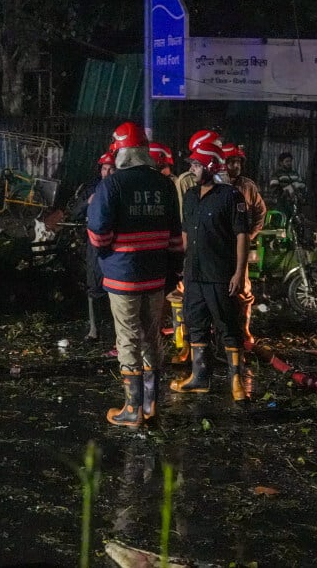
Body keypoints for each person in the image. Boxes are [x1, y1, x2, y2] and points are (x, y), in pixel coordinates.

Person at [87, 122, 182, 427]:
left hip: (123, 276)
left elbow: (98, 234)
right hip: (155, 276)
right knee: (151, 336)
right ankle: (151, 405)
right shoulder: (165, 185)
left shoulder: (111, 186)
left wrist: (110, 252)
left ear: (120, 152)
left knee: (128, 338)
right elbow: (175, 239)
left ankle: (132, 409)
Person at [170, 138, 250, 402]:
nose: (191, 169)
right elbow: (185, 233)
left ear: (211, 166)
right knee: (196, 324)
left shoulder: (230, 196)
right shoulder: (190, 197)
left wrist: (238, 273)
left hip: (220, 275)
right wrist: (181, 265)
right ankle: (199, 377)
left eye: (196, 164)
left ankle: (236, 380)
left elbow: (242, 235)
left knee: (228, 325)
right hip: (194, 275)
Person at [223, 142, 266, 349]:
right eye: (231, 161)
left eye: (238, 161)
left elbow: (260, 211)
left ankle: (244, 329)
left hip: (239, 247)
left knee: (244, 290)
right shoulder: (214, 184)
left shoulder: (247, 187)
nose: (236, 165)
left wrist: (249, 235)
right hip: (217, 247)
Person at [73, 151, 115, 343]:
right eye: (105, 168)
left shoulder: (120, 188)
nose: (107, 172)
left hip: (115, 241)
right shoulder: (92, 188)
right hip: (94, 243)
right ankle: (94, 330)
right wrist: (87, 203)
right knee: (94, 284)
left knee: (116, 287)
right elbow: (75, 213)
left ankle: (116, 330)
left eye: (111, 169)